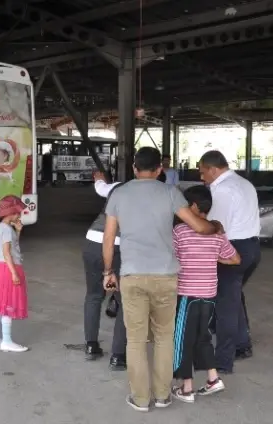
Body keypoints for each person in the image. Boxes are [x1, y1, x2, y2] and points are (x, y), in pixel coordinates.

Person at [102, 147, 224, 412]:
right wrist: (216, 227)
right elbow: (199, 227)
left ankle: (141, 399)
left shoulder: (119, 194)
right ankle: (163, 395)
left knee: (135, 340)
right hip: (165, 276)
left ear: (134, 168)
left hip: (132, 275)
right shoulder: (170, 193)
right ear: (160, 170)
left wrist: (108, 271)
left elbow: (109, 238)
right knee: (163, 337)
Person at [171, 185, 241, 403]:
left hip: (187, 296)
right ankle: (213, 379)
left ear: (192, 206)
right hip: (208, 295)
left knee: (182, 339)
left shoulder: (180, 232)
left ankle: (187, 388)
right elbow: (236, 259)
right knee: (202, 337)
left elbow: (170, 259)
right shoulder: (217, 233)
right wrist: (217, 259)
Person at [198, 150, 261, 374]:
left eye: (203, 172)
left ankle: (223, 360)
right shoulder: (244, 183)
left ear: (213, 169)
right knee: (234, 298)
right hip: (253, 248)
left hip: (233, 250)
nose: (202, 177)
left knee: (225, 305)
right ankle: (242, 345)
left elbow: (217, 226)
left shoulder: (223, 189)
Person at [82, 171, 127, 370]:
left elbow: (99, 187)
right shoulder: (141, 194)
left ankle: (91, 345)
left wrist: (99, 177)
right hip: (117, 246)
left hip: (92, 240)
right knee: (124, 300)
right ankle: (117, 356)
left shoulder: (115, 187)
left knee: (93, 295)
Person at [0, 195, 29, 353]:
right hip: (8, 268)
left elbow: (12, 247)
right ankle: (7, 341)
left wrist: (18, 231)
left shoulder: (1, 226)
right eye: (18, 212)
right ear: (12, 213)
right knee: (8, 304)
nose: (20, 215)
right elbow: (8, 252)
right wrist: (14, 273)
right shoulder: (6, 229)